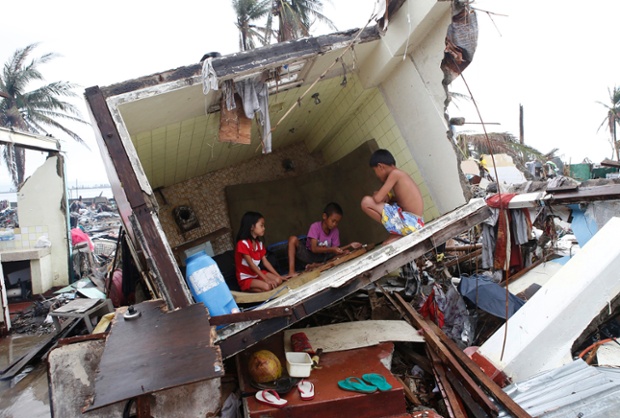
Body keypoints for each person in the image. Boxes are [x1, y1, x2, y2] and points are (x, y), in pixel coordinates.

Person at [361, 149, 425, 243]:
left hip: (410, 222)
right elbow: (401, 201)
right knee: (388, 204)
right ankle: (397, 230)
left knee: (366, 202)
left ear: (380, 166)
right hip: (415, 222)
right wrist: (390, 198)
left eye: (375, 171)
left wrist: (377, 194)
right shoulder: (400, 174)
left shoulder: (395, 174)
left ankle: (396, 231)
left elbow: (377, 199)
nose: (376, 175)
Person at [287, 202, 361, 276]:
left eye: (337, 222)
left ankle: (317, 265)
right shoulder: (315, 227)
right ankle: (291, 272)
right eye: (333, 221)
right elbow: (314, 249)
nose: (334, 224)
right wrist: (331, 249)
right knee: (292, 239)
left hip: (324, 257)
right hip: (309, 256)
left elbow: (336, 250)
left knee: (346, 252)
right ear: (324, 216)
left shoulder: (335, 231)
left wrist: (350, 245)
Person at [235, 211, 288, 292]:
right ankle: (246, 289)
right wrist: (266, 279)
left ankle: (261, 286)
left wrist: (279, 276)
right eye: (261, 225)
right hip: (246, 278)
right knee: (268, 287)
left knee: (278, 281)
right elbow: (251, 265)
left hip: (257, 274)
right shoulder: (242, 243)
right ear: (252, 227)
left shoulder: (259, 244)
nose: (264, 228)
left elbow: (266, 262)